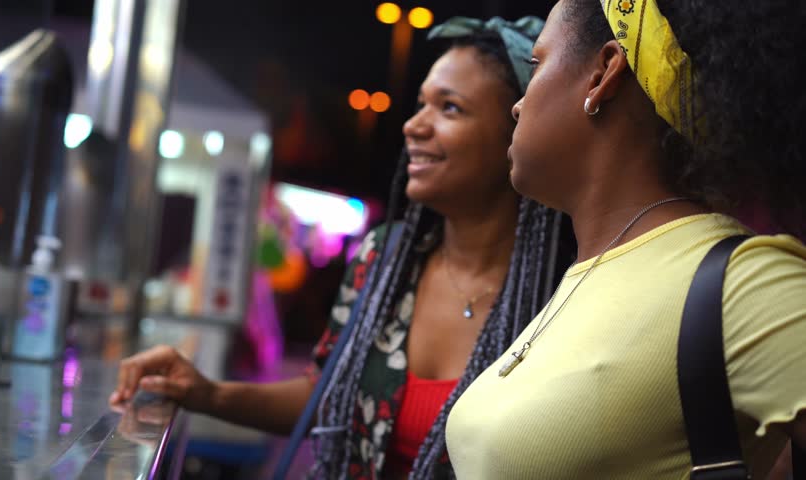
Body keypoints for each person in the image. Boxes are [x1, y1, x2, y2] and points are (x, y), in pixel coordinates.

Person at [110, 16, 567, 479]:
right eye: (420, 104)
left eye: (449, 108)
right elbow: (326, 395)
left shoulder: (560, 292)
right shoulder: (384, 261)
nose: (414, 126)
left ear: (517, 130)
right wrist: (207, 392)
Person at [445, 1, 806, 479]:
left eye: (537, 64)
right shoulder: (589, 269)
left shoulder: (743, 285)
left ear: (603, 73)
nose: (519, 101)